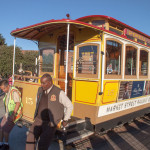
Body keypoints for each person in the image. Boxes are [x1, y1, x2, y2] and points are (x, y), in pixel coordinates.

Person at [26, 73, 73, 150]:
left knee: (42, 144)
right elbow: (37, 102)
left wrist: (65, 119)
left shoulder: (59, 92)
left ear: (50, 82)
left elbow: (69, 105)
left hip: (50, 123)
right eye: (41, 83)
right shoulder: (40, 90)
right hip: (38, 120)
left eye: (43, 83)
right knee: (30, 138)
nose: (41, 85)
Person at [0, 79, 23, 150]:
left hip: (14, 114)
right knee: (1, 129)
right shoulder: (7, 91)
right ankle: (1, 144)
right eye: (1, 89)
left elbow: (18, 103)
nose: (3, 90)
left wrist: (13, 114)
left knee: (6, 130)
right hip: (8, 113)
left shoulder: (14, 92)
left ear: (8, 86)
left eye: (4, 88)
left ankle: (6, 145)